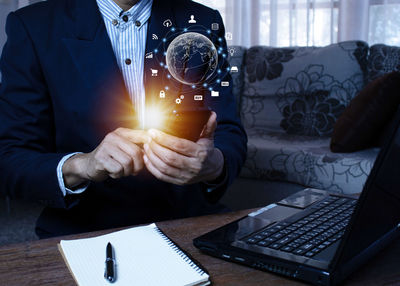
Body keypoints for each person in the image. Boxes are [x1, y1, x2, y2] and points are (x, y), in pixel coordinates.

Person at [0, 0, 247, 238]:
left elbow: (227, 130)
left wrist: (214, 164)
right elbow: (10, 158)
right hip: (84, 230)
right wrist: (83, 165)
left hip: (187, 222)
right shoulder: (33, 27)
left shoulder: (203, 21)